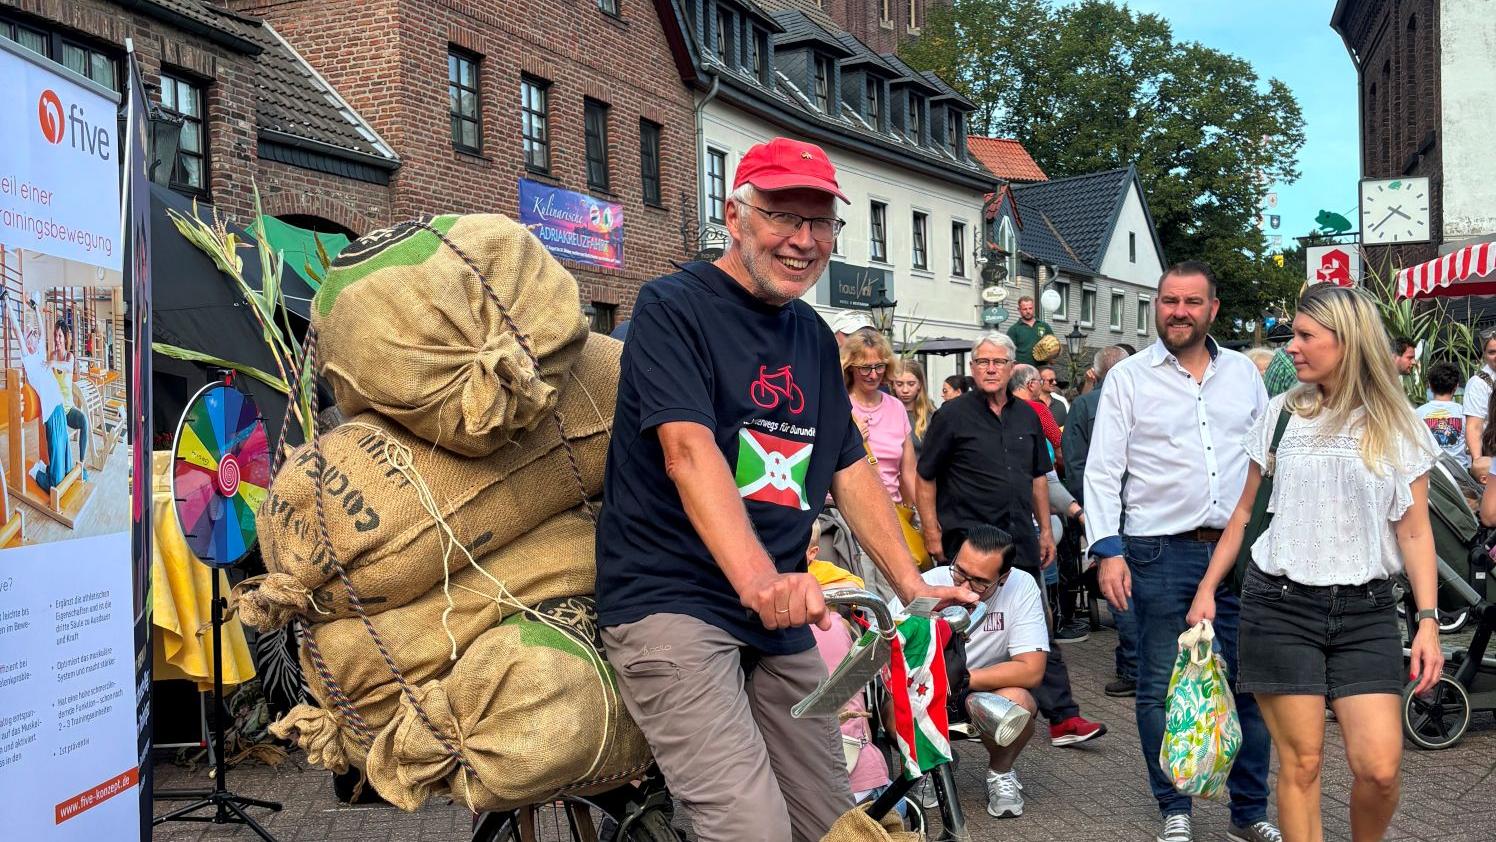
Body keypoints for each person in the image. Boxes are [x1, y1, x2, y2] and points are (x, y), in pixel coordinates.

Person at [594, 136, 973, 842]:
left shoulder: (809, 332)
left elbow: (845, 464)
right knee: (750, 827)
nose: (803, 241)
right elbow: (687, 451)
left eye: (820, 222)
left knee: (835, 821)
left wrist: (911, 583)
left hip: (778, 609)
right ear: (735, 217)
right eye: (782, 217)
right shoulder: (672, 307)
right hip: (673, 600)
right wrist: (761, 581)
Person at [1187, 283, 1443, 842]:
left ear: (1347, 342)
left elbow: (1416, 531)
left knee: (1379, 768)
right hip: (1278, 607)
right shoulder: (1281, 414)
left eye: (1305, 336)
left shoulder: (1398, 424)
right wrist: (1207, 588)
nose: (1292, 347)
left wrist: (1427, 620)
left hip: (1368, 610)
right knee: (1301, 766)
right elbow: (1245, 512)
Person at [1085, 261, 1277, 842]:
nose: (1179, 312)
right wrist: (1108, 549)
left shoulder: (1245, 373)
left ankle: (1249, 813)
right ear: (1157, 307)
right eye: (1169, 301)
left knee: (1247, 682)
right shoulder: (1130, 378)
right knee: (1162, 683)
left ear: (1213, 308)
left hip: (1239, 551)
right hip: (1157, 551)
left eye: (1192, 301)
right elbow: (1103, 468)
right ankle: (1175, 805)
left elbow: (1266, 460)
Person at [916, 333, 1107, 748]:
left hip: (1019, 538)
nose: (989, 368)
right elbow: (925, 476)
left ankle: (1062, 717)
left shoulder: (1028, 417)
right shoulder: (951, 415)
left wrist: (1043, 527)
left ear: (1011, 367)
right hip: (967, 545)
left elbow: (1039, 476)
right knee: (956, 626)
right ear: (972, 368)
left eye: (997, 362)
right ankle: (945, 708)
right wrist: (931, 532)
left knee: (1037, 623)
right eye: (981, 361)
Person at [895, 525, 1044, 819]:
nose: (964, 587)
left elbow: (1032, 670)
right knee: (892, 709)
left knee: (1020, 703)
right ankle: (929, 767)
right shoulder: (929, 582)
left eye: (979, 582)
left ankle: (1000, 772)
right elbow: (886, 641)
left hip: (978, 688)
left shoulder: (1021, 586)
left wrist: (963, 680)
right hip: (923, 685)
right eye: (960, 572)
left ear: (1003, 579)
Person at [1059, 344, 1137, 696]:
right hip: (1147, 510)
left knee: (1119, 584)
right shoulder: (1143, 397)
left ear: (1097, 372)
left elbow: (1076, 463)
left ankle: (1134, 667)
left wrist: (1085, 510)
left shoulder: (1085, 405)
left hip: (1105, 509)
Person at [804, 522, 893, 806]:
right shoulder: (834, 627)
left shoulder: (828, 625)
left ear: (812, 554)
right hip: (855, 766)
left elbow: (854, 585)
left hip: (839, 770)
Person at [843, 330, 916, 506]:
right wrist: (851, 440)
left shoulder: (896, 408)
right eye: (865, 368)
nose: (873, 374)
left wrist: (927, 521)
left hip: (891, 511)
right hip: (850, 513)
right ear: (851, 367)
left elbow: (909, 473)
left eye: (879, 366)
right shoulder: (839, 405)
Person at [47, 319, 90, 477]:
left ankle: (82, 462)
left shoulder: (69, 357)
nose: (57, 339)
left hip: (68, 409)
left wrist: (53, 363)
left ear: (65, 338)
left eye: (60, 336)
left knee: (84, 421)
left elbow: (67, 367)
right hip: (56, 410)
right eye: (55, 336)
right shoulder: (52, 355)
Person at [1418, 361, 1470, 469]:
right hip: (1459, 476)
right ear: (1456, 387)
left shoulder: (1417, 414)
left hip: (1431, 477)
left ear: (1430, 386)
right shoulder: (1464, 413)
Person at [1462, 329, 1496, 471]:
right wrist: (1478, 461)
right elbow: (1474, 426)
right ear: (1484, 356)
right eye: (1492, 352)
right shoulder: (1479, 383)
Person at [889, 359, 932, 455]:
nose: (905, 390)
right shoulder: (884, 414)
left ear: (920, 384)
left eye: (911, 384)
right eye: (899, 384)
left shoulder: (932, 417)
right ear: (893, 385)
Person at [1007, 295, 1054, 367]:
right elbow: (1008, 352)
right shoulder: (1013, 329)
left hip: (1042, 368)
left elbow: (1053, 344)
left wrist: (1052, 357)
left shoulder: (1044, 326)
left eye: (1030, 308)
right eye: (1024, 309)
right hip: (1023, 370)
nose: (1028, 311)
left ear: (1033, 308)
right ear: (1019, 310)